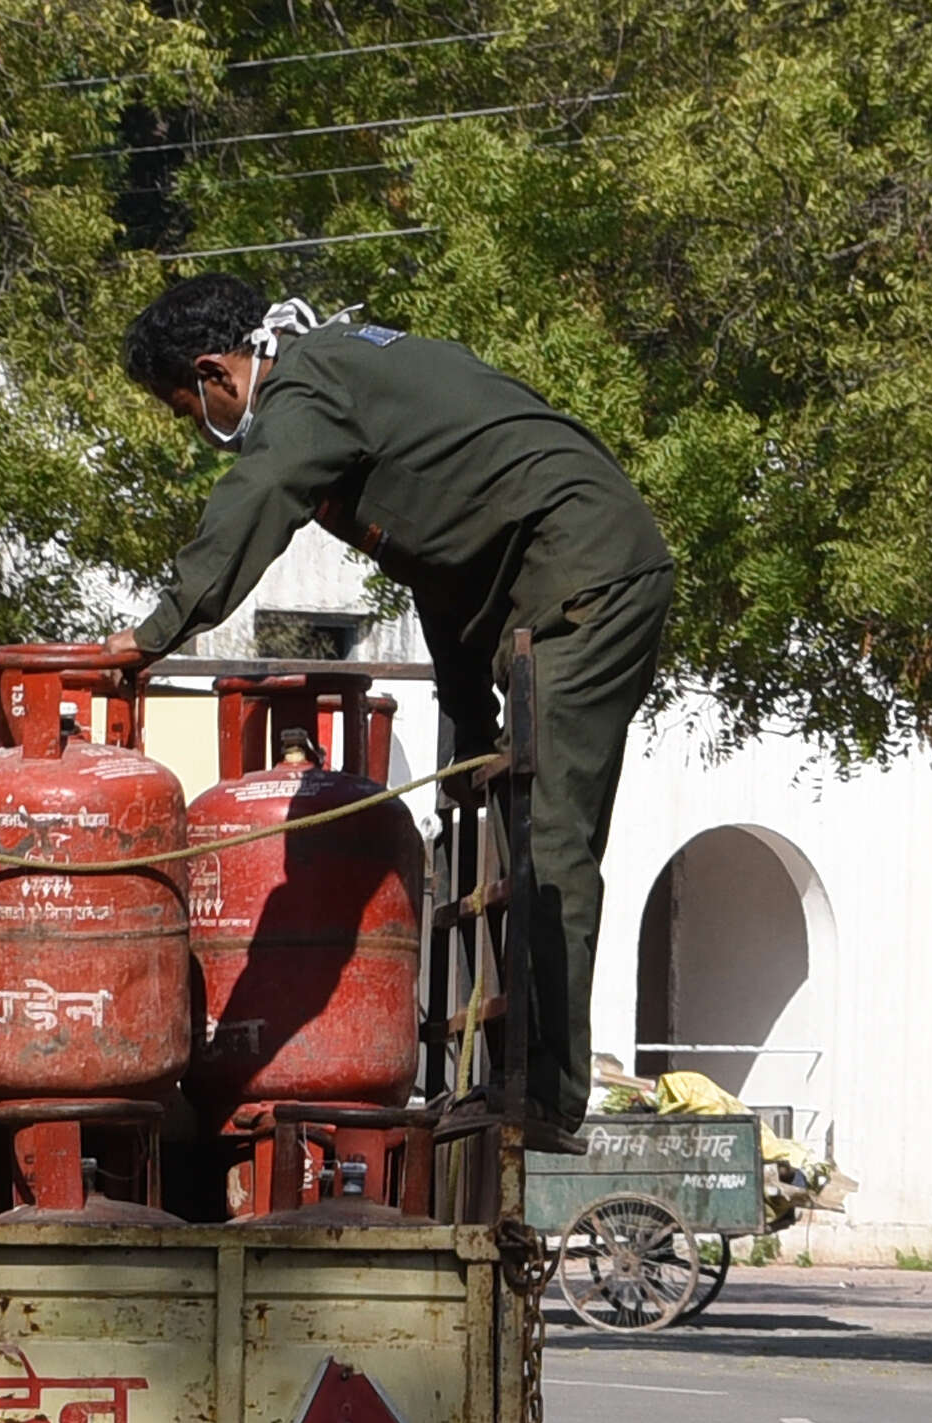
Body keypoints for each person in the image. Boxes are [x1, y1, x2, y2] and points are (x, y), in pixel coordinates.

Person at [101, 275, 675, 1146]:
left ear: (216, 372)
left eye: (190, 410)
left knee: (550, 842)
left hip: (590, 577)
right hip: (553, 580)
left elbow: (259, 495)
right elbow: (439, 569)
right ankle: (515, 1085)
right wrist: (468, 723)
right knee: (518, 834)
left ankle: (546, 1103)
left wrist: (151, 636)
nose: (202, 429)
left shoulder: (308, 389)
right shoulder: (344, 381)